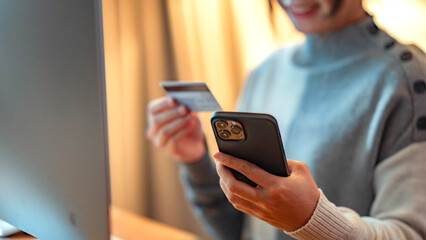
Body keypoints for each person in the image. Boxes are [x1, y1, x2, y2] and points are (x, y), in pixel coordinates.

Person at [147, 0, 426, 239]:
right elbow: (239, 231)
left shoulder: (408, 82)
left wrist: (313, 220)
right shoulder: (264, 74)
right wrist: (195, 160)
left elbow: (411, 233)